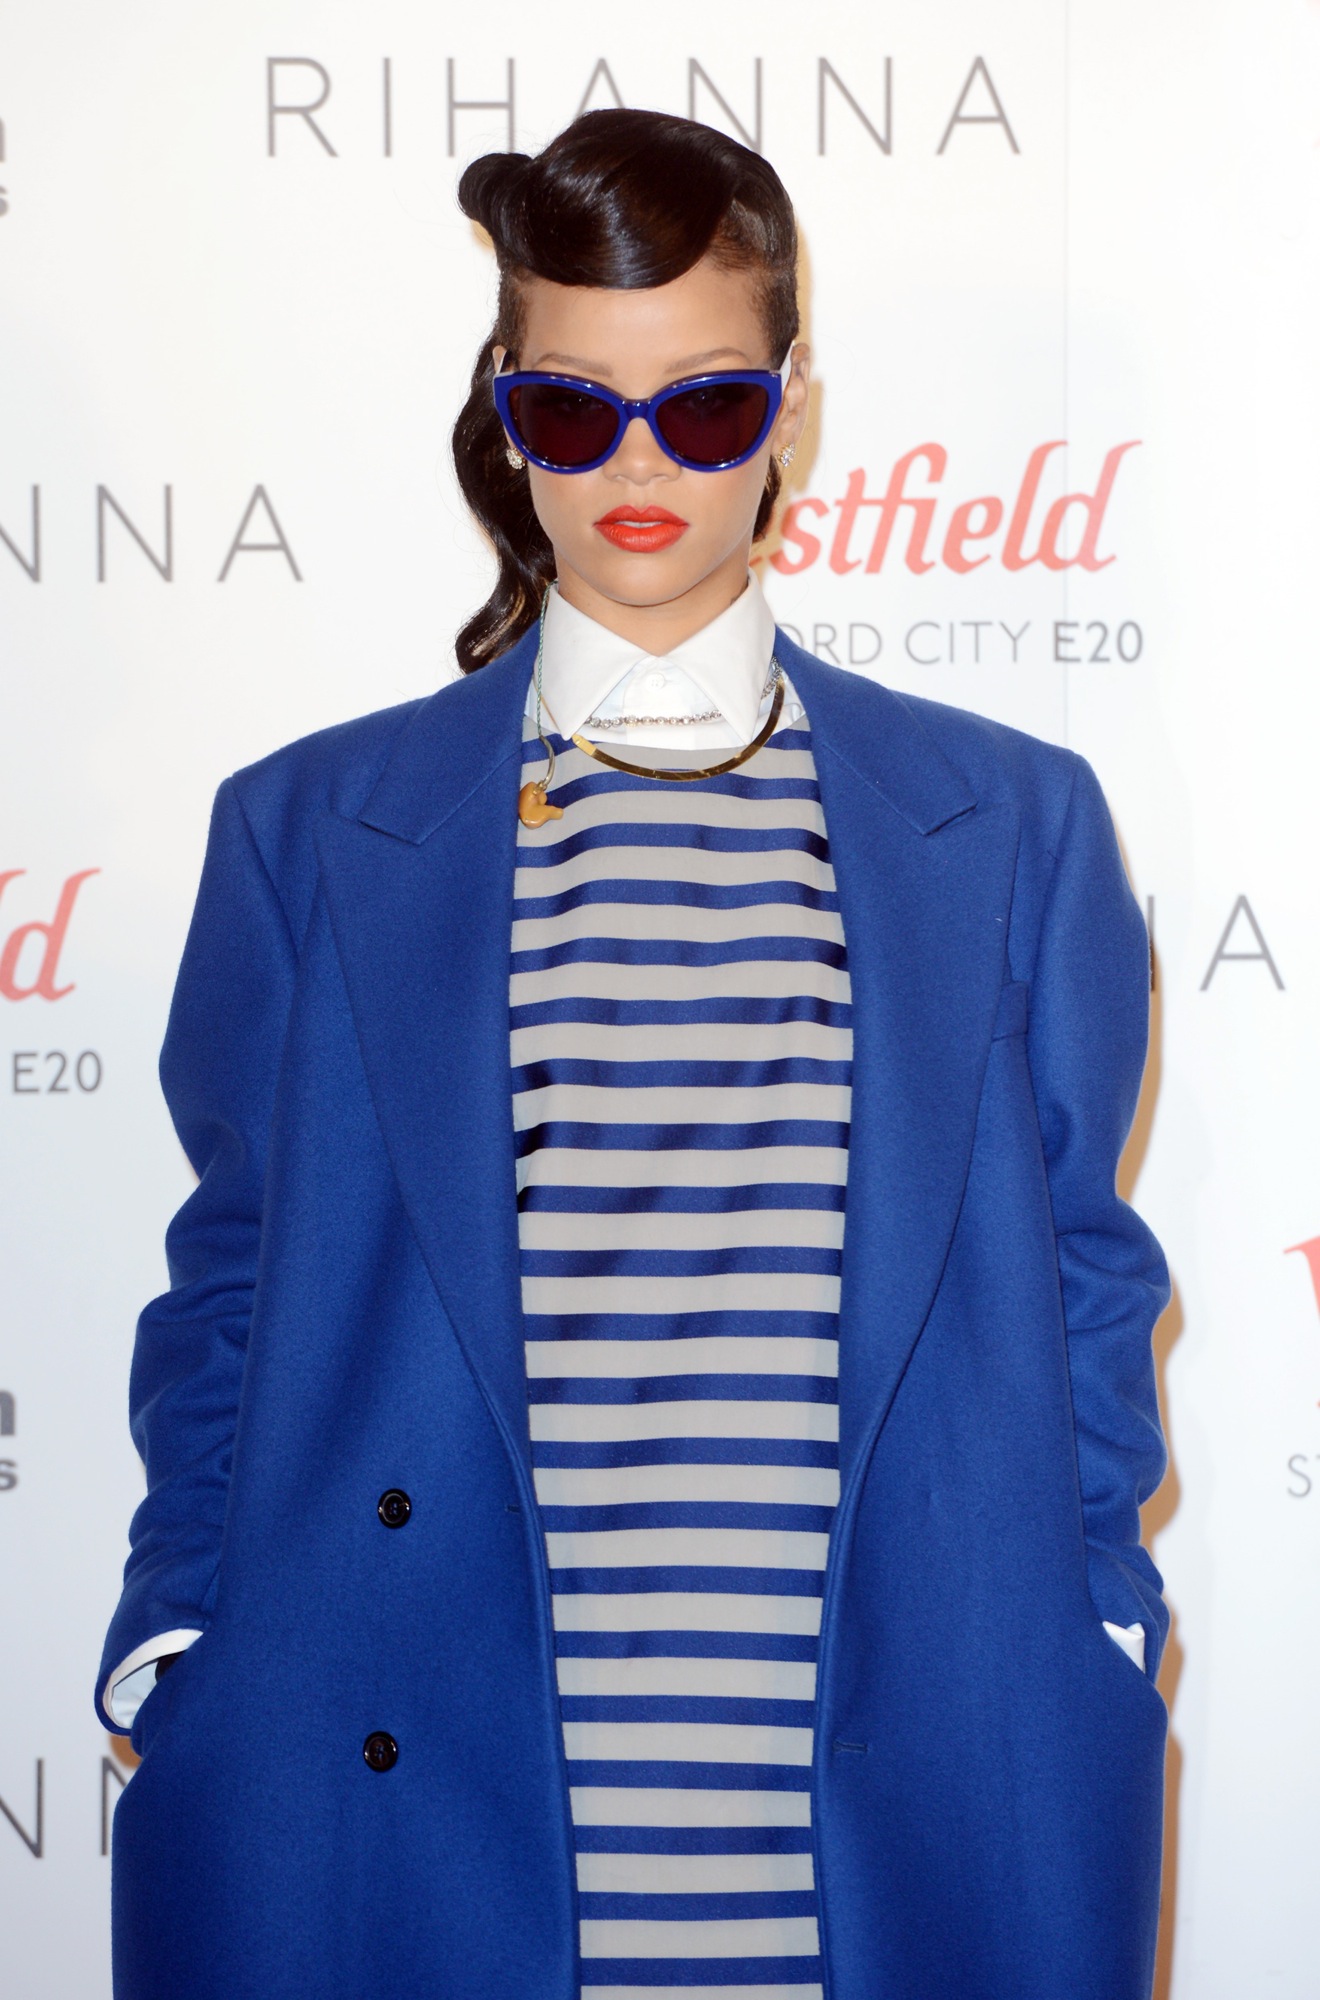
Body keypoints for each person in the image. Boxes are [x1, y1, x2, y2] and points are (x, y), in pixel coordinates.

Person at [96, 108, 1170, 2000]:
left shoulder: (1012, 823)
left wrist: (1097, 1614)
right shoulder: (310, 829)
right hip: (409, 1756)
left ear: (793, 403)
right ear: (508, 414)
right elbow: (235, 1284)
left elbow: (1085, 1271)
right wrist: (178, 1621)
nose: (643, 465)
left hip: (910, 1758)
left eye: (708, 402)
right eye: (575, 411)